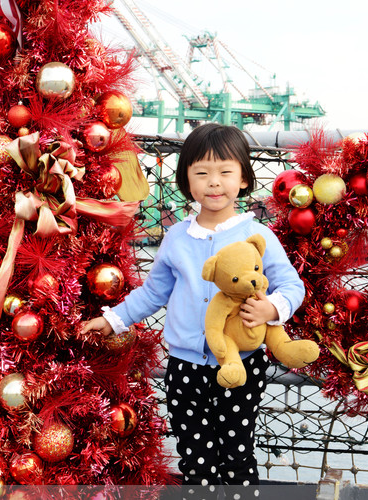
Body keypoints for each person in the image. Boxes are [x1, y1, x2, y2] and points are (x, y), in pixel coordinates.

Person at [83, 123, 305, 492]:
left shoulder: (259, 236)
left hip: (242, 363)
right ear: (187, 182)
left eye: (225, 172)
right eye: (202, 173)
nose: (214, 183)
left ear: (244, 180)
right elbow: (153, 293)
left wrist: (273, 309)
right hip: (184, 366)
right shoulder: (175, 238)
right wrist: (113, 320)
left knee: (236, 451)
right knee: (194, 452)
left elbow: (291, 285)